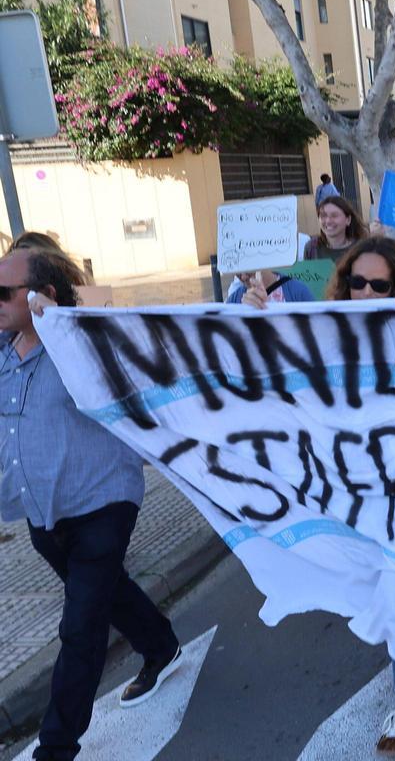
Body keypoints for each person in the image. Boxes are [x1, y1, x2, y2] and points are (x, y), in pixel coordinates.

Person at [242, 236, 395, 755]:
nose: (367, 293)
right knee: (388, 583)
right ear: (343, 285)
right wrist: (251, 317)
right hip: (353, 489)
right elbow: (272, 376)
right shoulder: (323, 338)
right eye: (357, 283)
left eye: (381, 285)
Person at [4, 249, 183, 761]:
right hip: (41, 511)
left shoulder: (84, 346)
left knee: (81, 626)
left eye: (4, 292)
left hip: (103, 501)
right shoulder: (3, 354)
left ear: (43, 296)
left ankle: (56, 748)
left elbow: (157, 362)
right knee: (110, 591)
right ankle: (160, 646)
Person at [305, 196, 368, 263]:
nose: (328, 221)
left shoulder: (362, 248)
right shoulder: (312, 247)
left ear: (348, 220)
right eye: (323, 216)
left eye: (334, 215)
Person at [226, 270, 314, 304]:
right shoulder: (234, 300)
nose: (243, 277)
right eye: (237, 271)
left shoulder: (298, 291)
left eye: (247, 268)